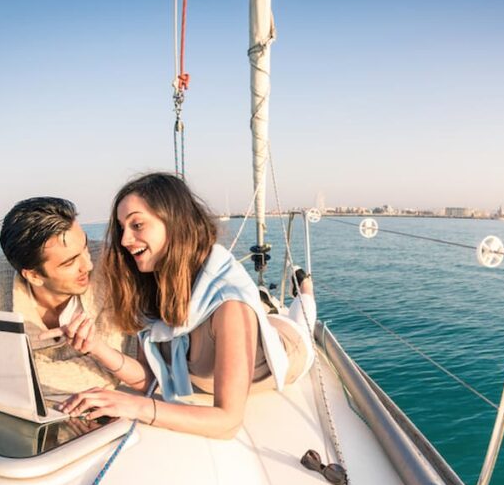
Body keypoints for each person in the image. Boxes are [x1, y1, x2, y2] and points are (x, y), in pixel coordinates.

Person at [59, 172, 316, 439]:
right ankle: (268, 306)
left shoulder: (230, 307)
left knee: (303, 324)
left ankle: (306, 290)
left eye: (136, 225)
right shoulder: (151, 287)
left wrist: (136, 406)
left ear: (175, 222)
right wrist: (95, 348)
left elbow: (227, 422)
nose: (124, 240)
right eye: (122, 228)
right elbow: (149, 377)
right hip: (242, 327)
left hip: (291, 346)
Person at [0, 197, 135, 396]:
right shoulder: (4, 273)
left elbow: (107, 371)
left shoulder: (110, 265)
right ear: (33, 276)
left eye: (85, 247)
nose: (88, 264)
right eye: (70, 263)